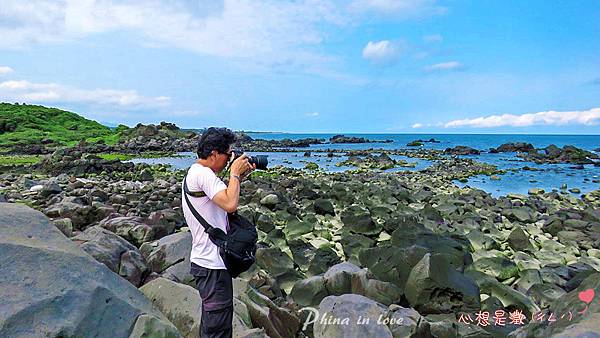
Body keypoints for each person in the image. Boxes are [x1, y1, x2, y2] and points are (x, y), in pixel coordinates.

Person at [182, 127, 255, 338]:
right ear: (214, 153)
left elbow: (224, 203)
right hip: (211, 265)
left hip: (207, 264)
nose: (229, 159)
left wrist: (238, 177)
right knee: (218, 330)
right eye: (227, 155)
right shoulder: (203, 174)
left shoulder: (197, 173)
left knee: (214, 325)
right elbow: (231, 204)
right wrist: (234, 173)